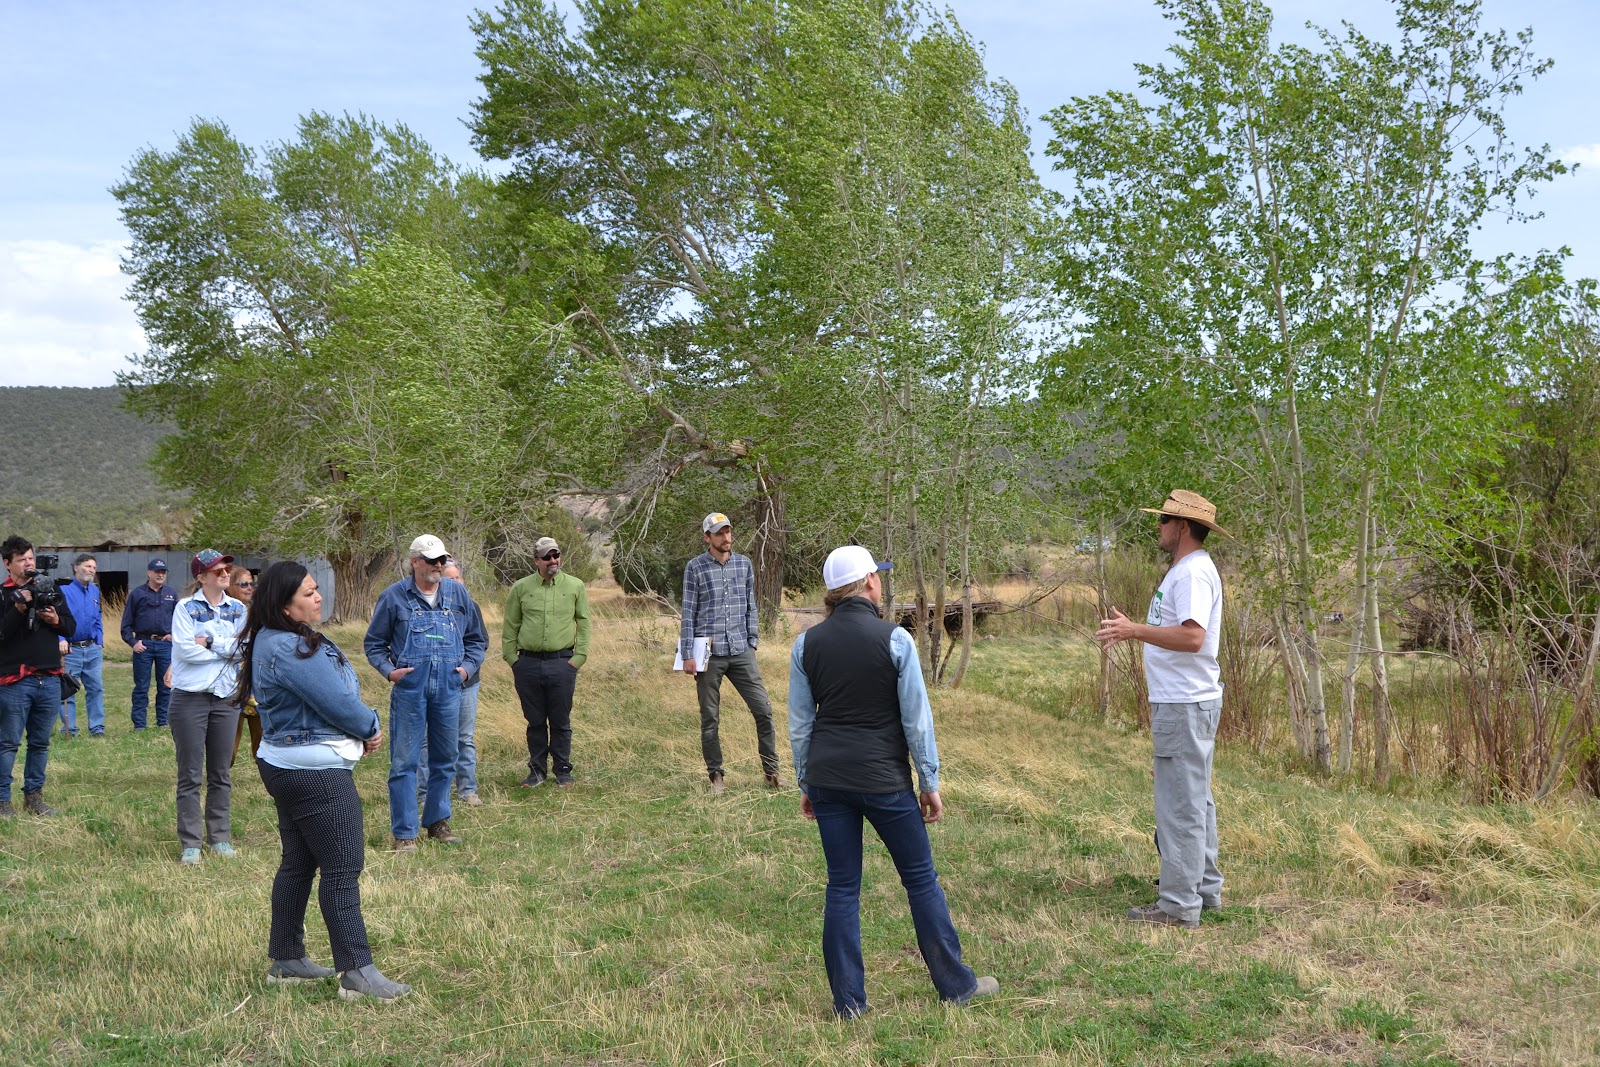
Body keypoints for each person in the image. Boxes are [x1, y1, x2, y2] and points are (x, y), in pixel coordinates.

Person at [788, 544, 997, 1018]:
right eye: (877, 577)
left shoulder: (806, 645)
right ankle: (956, 986)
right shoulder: (895, 640)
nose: (880, 583)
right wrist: (929, 781)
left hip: (829, 779)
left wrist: (807, 782)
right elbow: (916, 721)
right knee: (920, 880)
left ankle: (848, 1004)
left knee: (842, 887)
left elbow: (801, 723)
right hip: (884, 781)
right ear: (867, 583)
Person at [239, 560, 409, 1001]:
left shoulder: (277, 639)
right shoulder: (289, 648)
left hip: (287, 764)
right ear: (284, 605)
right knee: (342, 867)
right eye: (309, 592)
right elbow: (336, 701)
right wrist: (370, 727)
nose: (318, 597)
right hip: (314, 772)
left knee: (298, 862)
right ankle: (356, 972)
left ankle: (288, 959)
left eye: (316, 589)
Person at [1095, 490, 1228, 929]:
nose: (1159, 527)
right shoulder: (1188, 570)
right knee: (1195, 800)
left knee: (1181, 804)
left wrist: (1135, 630)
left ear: (1183, 527)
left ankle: (1177, 905)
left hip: (1184, 704)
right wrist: (1139, 629)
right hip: (1188, 701)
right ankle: (1202, 890)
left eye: (1165, 521)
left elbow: (1193, 638)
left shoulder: (1191, 573)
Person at [364, 534, 487, 851]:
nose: (438, 565)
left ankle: (437, 822)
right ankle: (404, 833)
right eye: (431, 560)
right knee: (405, 761)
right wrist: (390, 672)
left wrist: (466, 669)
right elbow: (374, 645)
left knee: (446, 757)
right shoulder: (393, 598)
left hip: (449, 687)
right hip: (410, 690)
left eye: (442, 560)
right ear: (414, 562)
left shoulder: (458, 594)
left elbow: (477, 639)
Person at [680, 512, 780, 793]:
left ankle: (771, 771)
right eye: (720, 533)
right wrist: (688, 653)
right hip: (708, 654)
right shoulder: (695, 568)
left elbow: (751, 604)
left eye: (728, 532)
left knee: (763, 709)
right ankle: (716, 776)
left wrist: (753, 640)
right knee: (710, 716)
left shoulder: (744, 564)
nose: (726, 537)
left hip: (740, 648)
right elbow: (688, 612)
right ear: (707, 537)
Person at [169, 549, 246, 865]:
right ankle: (191, 843)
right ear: (201, 577)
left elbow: (243, 650)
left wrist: (211, 643)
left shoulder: (239, 608)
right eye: (217, 571)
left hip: (226, 699)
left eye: (226, 569)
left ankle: (220, 837)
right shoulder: (185, 608)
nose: (225, 574)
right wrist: (226, 649)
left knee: (220, 772)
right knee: (190, 774)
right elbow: (186, 651)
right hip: (190, 699)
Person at [504, 536, 590, 789]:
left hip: (562, 663)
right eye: (546, 557)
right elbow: (511, 625)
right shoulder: (521, 588)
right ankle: (537, 771)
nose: (553, 561)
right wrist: (512, 659)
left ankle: (563, 771)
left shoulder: (575, 586)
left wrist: (579, 657)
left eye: (556, 555)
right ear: (536, 561)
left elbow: (583, 622)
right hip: (527, 664)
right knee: (535, 721)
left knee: (561, 720)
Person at [0, 535, 75, 818]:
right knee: (8, 743)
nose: (28, 563)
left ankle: (34, 799)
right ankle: (2, 801)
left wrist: (55, 620)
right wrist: (18, 609)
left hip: (50, 678)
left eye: (31, 558)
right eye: (22, 560)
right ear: (7, 564)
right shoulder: (3, 594)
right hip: (15, 681)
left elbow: (70, 627)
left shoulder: (48, 588)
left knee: (40, 743)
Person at [121, 558, 177, 729]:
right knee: (141, 686)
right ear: (149, 573)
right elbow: (125, 625)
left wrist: (173, 636)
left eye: (163, 572)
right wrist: (133, 642)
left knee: (166, 685)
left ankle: (164, 721)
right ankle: (139, 724)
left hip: (164, 645)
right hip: (143, 645)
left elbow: (180, 621)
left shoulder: (171, 594)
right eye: (157, 571)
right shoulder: (137, 594)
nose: (160, 575)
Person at [56, 552, 105, 738]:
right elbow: (58, 618)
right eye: (87, 566)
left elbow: (98, 615)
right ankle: (70, 729)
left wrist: (99, 640)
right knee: (68, 689)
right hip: (71, 648)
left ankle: (97, 728)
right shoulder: (64, 590)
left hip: (92, 648)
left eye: (93, 567)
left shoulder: (94, 590)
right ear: (76, 567)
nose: (91, 570)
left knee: (96, 688)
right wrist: (61, 638)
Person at [226, 566, 263, 764]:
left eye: (251, 584)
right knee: (228, 740)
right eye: (243, 584)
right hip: (232, 683)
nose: (249, 588)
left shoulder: (260, 612)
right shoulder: (223, 613)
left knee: (263, 738)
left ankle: (268, 772)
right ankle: (221, 774)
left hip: (256, 682)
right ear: (229, 586)